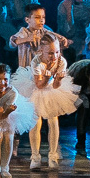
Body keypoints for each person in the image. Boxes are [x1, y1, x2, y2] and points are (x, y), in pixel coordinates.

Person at [12, 39, 79, 170]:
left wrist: (58, 79)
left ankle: (53, 155)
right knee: (36, 123)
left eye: (57, 52)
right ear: (41, 51)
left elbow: (56, 86)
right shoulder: (36, 62)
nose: (54, 56)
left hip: (51, 89)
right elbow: (39, 85)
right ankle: (35, 156)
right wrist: (47, 78)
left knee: (53, 121)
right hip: (36, 88)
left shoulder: (61, 61)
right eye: (50, 53)